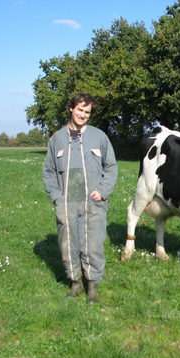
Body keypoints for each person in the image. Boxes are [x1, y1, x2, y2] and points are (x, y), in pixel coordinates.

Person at [43, 93, 118, 304]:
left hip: (93, 200)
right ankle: (75, 281)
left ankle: (92, 284)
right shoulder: (56, 138)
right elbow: (49, 172)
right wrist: (57, 198)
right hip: (67, 201)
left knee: (93, 244)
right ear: (71, 109)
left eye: (87, 112)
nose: (83, 115)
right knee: (68, 244)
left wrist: (102, 191)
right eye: (80, 110)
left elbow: (111, 168)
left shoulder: (100, 137)